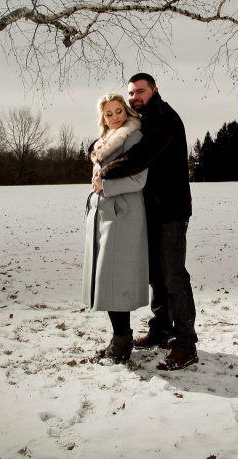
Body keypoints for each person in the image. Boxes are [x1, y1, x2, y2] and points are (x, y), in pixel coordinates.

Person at [94, 73, 198, 371]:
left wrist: (105, 172)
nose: (135, 97)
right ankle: (161, 330)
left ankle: (185, 344)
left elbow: (140, 157)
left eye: (140, 91)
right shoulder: (141, 119)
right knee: (157, 276)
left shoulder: (163, 118)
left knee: (174, 276)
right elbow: (112, 137)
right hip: (149, 210)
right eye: (131, 93)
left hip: (171, 211)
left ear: (154, 90)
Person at [83, 92, 150, 364]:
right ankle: (119, 337)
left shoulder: (134, 138)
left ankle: (122, 341)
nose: (114, 117)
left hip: (123, 215)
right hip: (104, 214)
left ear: (127, 112)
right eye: (108, 113)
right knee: (108, 280)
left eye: (118, 111)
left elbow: (139, 179)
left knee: (115, 279)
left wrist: (106, 187)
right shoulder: (104, 142)